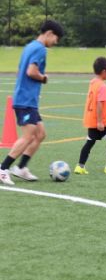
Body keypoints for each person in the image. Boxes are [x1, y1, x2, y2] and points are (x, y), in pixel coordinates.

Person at [0, 20, 64, 185]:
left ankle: (21, 168)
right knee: (28, 136)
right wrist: (43, 78)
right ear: (49, 33)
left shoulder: (29, 46)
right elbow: (31, 71)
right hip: (25, 100)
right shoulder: (40, 49)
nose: (56, 42)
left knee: (40, 134)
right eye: (56, 38)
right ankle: (3, 168)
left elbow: (22, 70)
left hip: (28, 99)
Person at [74, 57, 106, 175]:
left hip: (91, 119)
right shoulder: (102, 86)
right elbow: (99, 103)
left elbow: (96, 101)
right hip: (101, 121)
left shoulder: (93, 83)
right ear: (104, 72)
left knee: (90, 142)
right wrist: (101, 121)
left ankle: (80, 166)